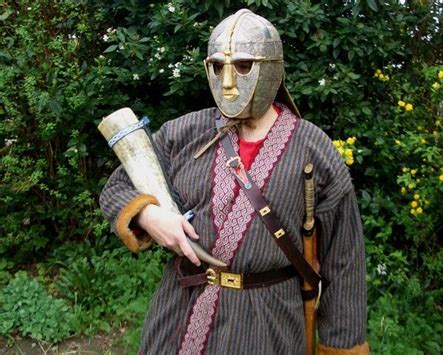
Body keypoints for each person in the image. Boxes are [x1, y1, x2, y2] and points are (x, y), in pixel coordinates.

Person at [100, 9, 369, 355]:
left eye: (243, 66)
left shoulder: (313, 148)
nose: (228, 81)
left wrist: (341, 346)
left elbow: (344, 263)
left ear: (271, 67)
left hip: (266, 325)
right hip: (179, 314)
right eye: (217, 66)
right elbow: (117, 187)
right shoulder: (185, 133)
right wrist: (150, 217)